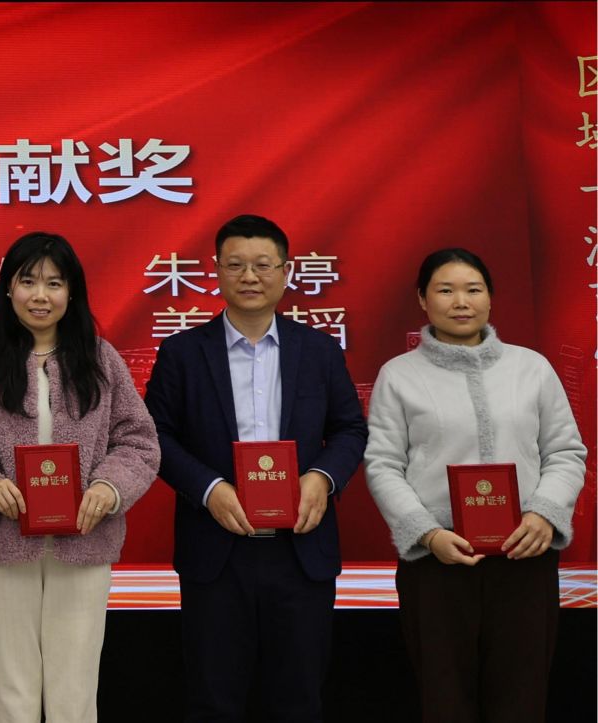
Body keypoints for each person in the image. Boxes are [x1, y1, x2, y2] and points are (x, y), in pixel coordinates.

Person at [143, 214, 367, 722]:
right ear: (216, 271)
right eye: (236, 265)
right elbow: (155, 435)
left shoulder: (319, 350)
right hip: (216, 550)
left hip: (301, 551)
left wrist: (322, 478)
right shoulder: (183, 352)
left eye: (263, 265)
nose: (249, 276)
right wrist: (209, 488)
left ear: (286, 272)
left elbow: (350, 429)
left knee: (299, 700)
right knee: (213, 700)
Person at [363, 248, 586, 722]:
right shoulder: (398, 375)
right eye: (445, 290)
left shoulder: (531, 368)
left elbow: (566, 452)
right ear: (422, 299)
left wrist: (544, 513)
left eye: (473, 289)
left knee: (522, 697)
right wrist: (427, 533)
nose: (461, 302)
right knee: (445, 698)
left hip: (524, 554)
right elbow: (382, 465)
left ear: (490, 297)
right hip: (438, 562)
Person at [0, 233, 159, 722]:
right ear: (8, 289)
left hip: (84, 543)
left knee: (75, 686)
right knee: (9, 685)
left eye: (54, 283)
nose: (40, 295)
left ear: (72, 292)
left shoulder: (101, 359)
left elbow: (139, 442)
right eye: (28, 281)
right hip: (4, 544)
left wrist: (109, 487)